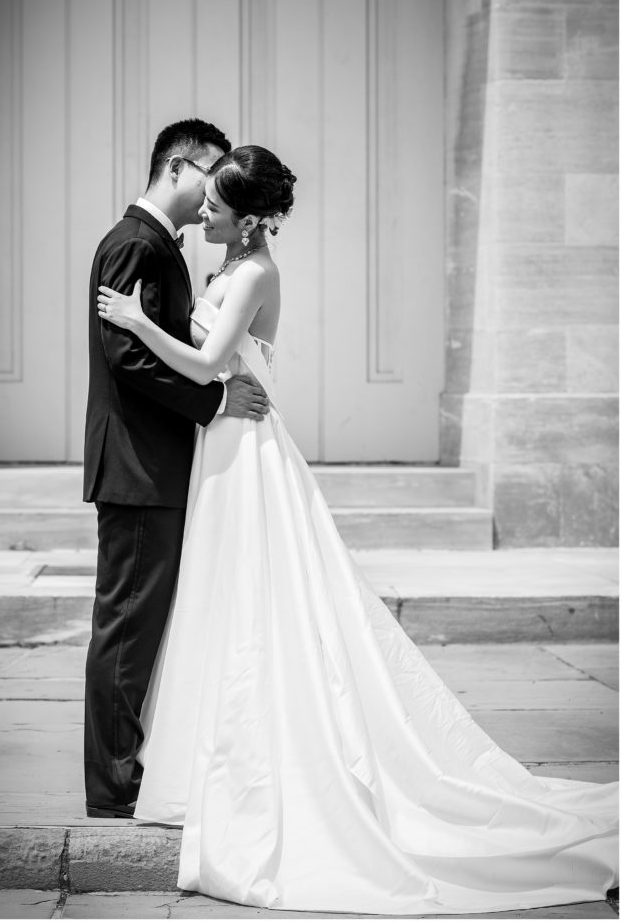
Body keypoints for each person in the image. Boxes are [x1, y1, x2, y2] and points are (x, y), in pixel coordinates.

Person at [96, 145, 618, 914]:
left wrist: (138, 321)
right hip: (220, 448)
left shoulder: (254, 272)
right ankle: (201, 765)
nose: (202, 214)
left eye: (216, 208)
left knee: (258, 605)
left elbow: (207, 366)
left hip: (246, 450)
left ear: (249, 223)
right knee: (218, 603)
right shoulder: (229, 262)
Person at [83, 120, 270, 819]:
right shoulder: (136, 242)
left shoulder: (163, 245)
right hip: (138, 466)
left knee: (143, 627)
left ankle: (128, 771)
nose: (217, 189)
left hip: (156, 465)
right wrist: (215, 400)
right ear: (177, 167)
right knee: (128, 629)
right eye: (211, 172)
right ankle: (112, 789)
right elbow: (126, 357)